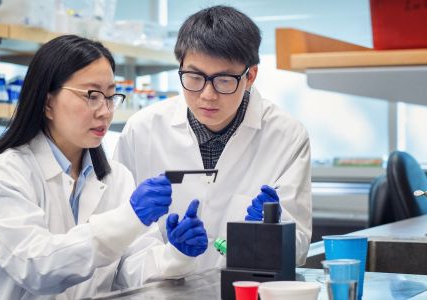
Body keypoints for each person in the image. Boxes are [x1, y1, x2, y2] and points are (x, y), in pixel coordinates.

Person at [0, 35, 208, 299]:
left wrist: (177, 255)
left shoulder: (117, 177)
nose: (105, 111)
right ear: (47, 103)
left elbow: (130, 270)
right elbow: (37, 267)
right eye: (91, 95)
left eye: (111, 96)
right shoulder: (4, 174)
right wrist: (128, 218)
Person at [114, 5, 312, 272]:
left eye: (223, 80)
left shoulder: (286, 135)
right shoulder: (142, 130)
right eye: (194, 77)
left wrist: (273, 233)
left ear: (250, 75)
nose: (207, 94)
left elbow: (298, 247)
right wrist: (169, 258)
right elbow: (120, 244)